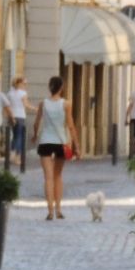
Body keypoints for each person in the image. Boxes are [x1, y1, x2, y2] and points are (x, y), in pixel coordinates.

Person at [32, 76, 80, 220]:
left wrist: (35, 136)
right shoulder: (66, 104)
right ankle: (59, 209)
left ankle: (50, 210)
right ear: (61, 87)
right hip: (61, 142)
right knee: (58, 176)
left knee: (48, 178)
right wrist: (77, 146)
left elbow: (36, 123)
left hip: (46, 141)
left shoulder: (43, 103)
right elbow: (70, 126)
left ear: (49, 87)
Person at [6, 76, 36, 165]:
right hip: (20, 116)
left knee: (15, 136)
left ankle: (11, 153)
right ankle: (17, 157)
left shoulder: (9, 93)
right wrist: (35, 108)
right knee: (20, 137)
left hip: (11, 116)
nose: (26, 85)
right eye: (24, 84)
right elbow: (26, 105)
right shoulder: (23, 93)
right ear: (19, 84)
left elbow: (7, 106)